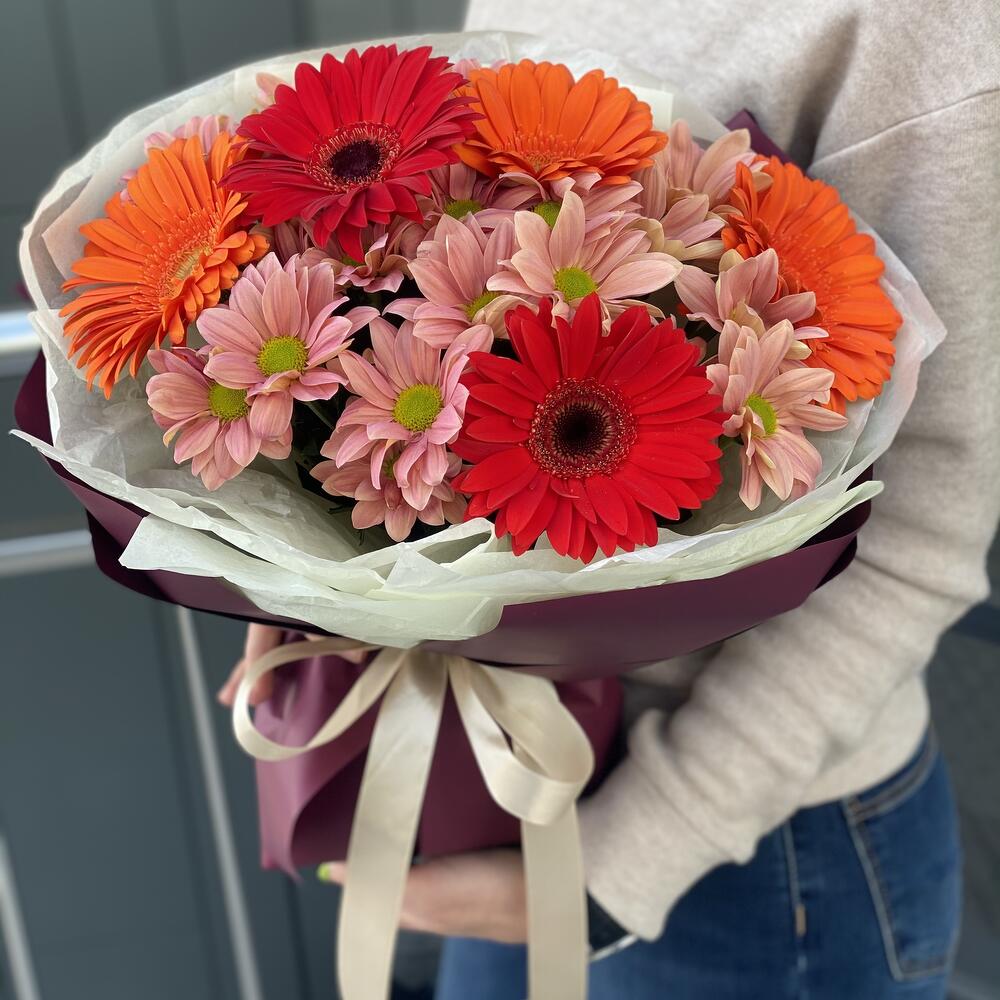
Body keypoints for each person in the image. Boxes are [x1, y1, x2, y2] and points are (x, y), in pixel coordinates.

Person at [220, 2, 1000, 995]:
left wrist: (613, 873)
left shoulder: (924, 28)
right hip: (505, 790)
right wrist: (314, 580)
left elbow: (914, 538)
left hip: (740, 856)